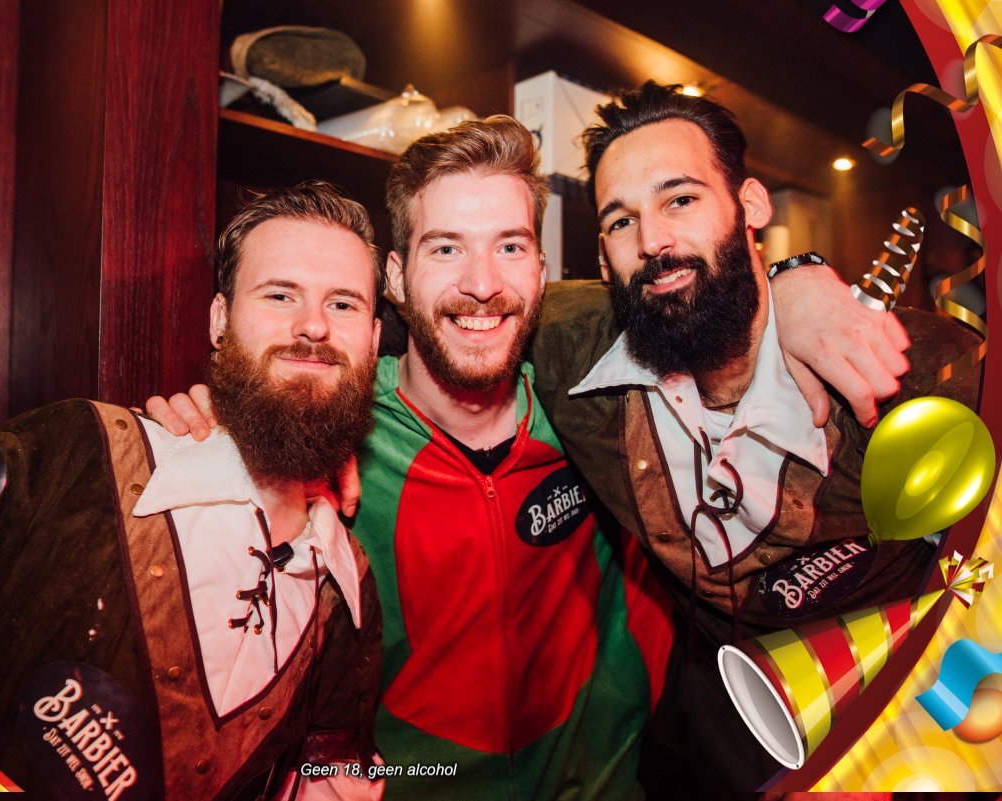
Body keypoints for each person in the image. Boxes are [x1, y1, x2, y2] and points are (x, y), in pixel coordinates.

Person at [148, 114, 914, 800]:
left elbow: (715, 308)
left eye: (510, 246)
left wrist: (796, 281)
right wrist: (232, 439)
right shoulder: (337, 433)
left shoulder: (602, 401)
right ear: (395, 278)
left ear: (544, 272)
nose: (482, 285)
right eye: (446, 247)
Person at [0, 181, 385, 801]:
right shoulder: (68, 449)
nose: (313, 325)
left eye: (343, 304)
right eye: (280, 294)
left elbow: (330, 778)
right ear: (220, 319)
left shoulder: (349, 594)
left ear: (372, 340)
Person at [531, 82, 982, 799]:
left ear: (750, 206)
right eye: (622, 220)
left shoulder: (914, 372)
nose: (652, 242)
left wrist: (795, 278)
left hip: (914, 730)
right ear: (604, 255)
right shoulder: (569, 348)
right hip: (720, 749)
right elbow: (447, 302)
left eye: (681, 199)